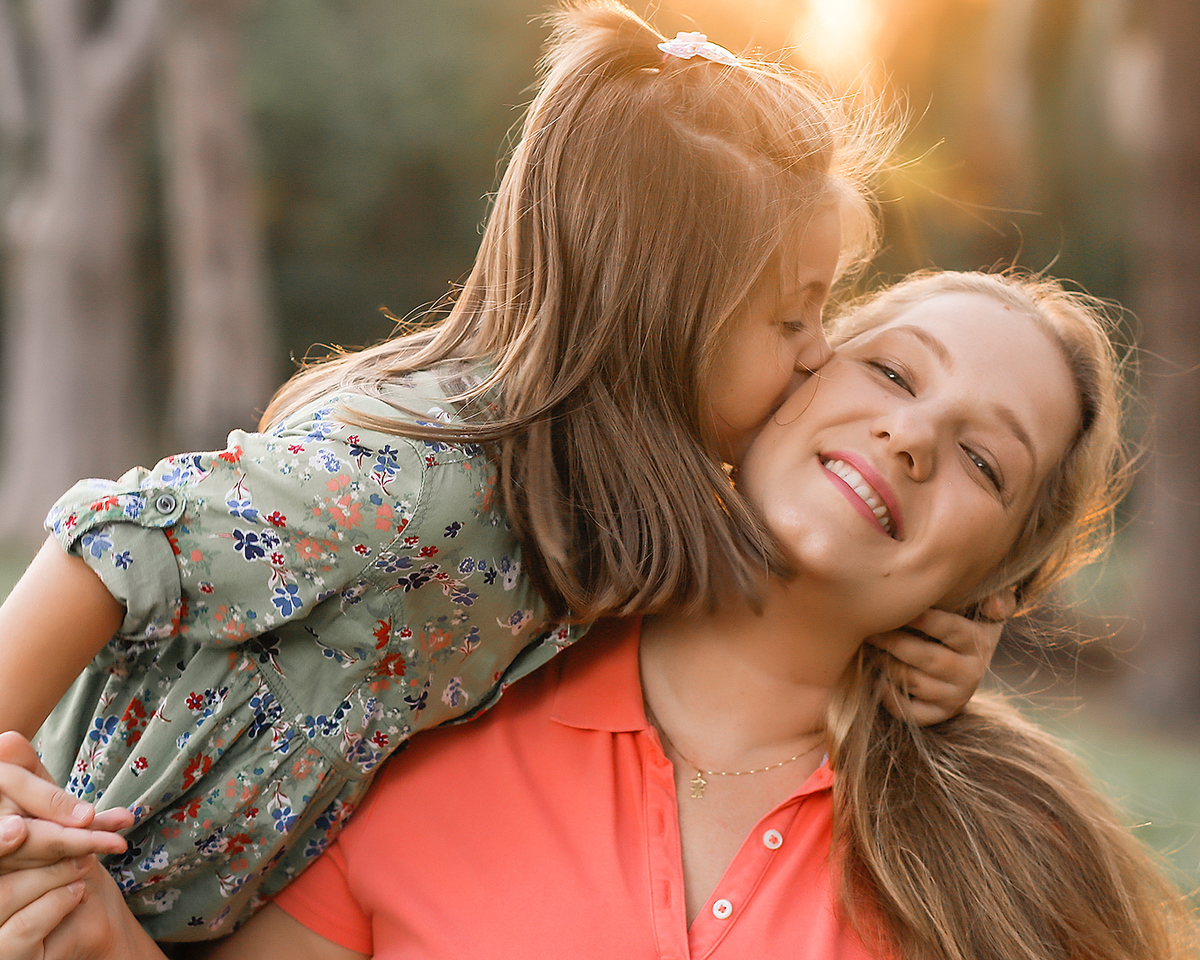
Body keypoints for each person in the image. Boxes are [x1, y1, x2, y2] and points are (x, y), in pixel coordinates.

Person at [0, 1, 1005, 943]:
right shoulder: (426, 491)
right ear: (663, 325)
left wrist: (943, 641)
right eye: (792, 317)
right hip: (91, 869)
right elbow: (121, 535)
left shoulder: (613, 498)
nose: (816, 352)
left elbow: (782, 594)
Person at [1, 271, 1193, 960]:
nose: (916, 435)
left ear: (994, 588)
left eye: (986, 462)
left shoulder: (1020, 855)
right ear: (787, 376)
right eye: (891, 371)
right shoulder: (439, 687)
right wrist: (94, 938)